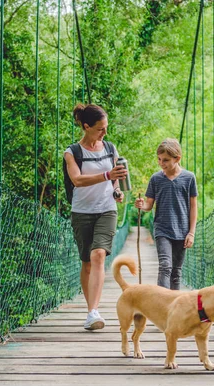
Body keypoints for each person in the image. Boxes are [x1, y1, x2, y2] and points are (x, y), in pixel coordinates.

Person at [64, 103, 127, 330]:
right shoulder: (72, 153)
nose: (105, 133)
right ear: (86, 126)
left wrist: (117, 189)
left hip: (107, 209)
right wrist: (107, 174)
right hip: (81, 212)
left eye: (106, 128)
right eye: (100, 128)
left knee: (99, 254)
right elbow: (77, 180)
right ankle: (90, 309)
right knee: (87, 263)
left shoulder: (110, 148)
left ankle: (93, 312)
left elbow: (115, 179)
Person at [134, 138, 197, 290]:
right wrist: (142, 206)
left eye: (166, 160)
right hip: (162, 229)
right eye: (159, 159)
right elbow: (149, 205)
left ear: (178, 159)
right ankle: (161, 304)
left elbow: (193, 206)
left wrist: (191, 233)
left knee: (176, 271)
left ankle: (174, 307)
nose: (161, 163)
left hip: (182, 230)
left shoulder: (189, 178)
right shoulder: (156, 179)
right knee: (165, 266)